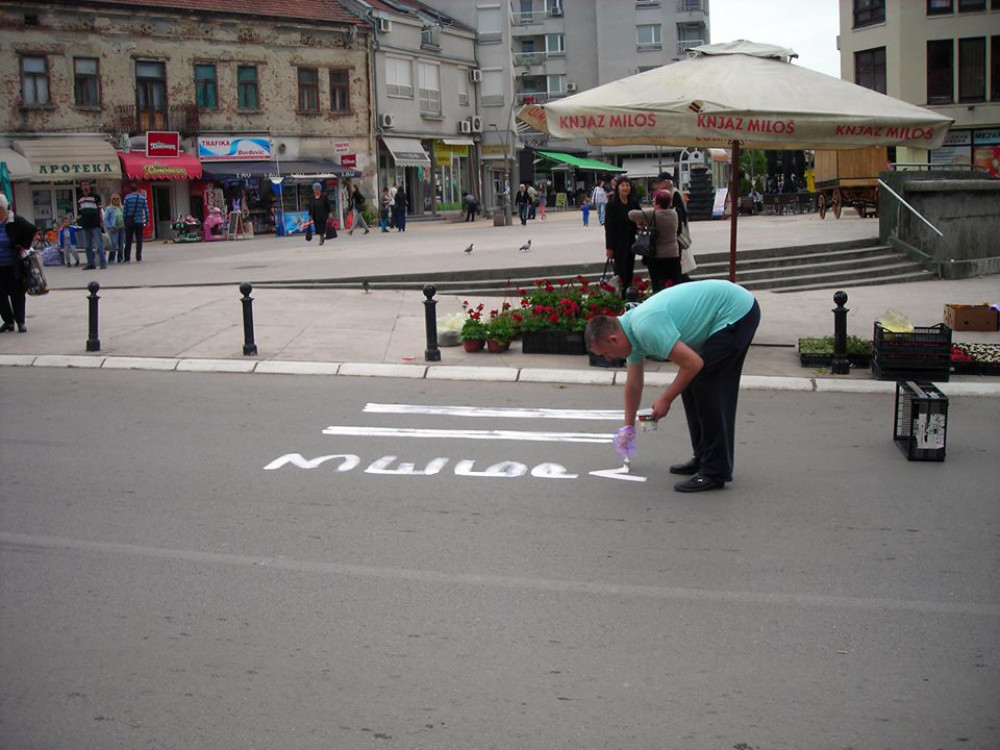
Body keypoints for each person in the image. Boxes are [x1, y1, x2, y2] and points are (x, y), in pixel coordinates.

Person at [585, 279, 761, 493]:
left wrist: (666, 399)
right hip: (725, 311)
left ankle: (715, 471)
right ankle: (703, 458)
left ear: (613, 339)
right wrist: (628, 427)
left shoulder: (644, 327)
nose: (607, 358)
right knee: (690, 381)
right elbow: (633, 385)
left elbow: (693, 363)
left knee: (706, 384)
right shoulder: (629, 332)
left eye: (604, 353)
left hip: (736, 312)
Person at [628, 190, 682, 293]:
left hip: (657, 254)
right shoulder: (674, 213)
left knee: (657, 283)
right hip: (673, 253)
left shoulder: (652, 214)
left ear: (657, 203)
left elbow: (631, 214)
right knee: (674, 282)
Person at [0, 193, 37, 333]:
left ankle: (20, 321)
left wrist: (22, 245)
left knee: (17, 293)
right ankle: (8, 322)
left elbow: (31, 229)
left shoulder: (14, 220)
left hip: (13, 264)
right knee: (0, 295)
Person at [603, 176, 640, 295]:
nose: (625, 188)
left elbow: (641, 216)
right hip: (618, 243)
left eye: (627, 185)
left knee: (629, 270)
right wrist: (609, 247)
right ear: (617, 188)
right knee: (620, 272)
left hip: (631, 241)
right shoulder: (611, 205)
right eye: (622, 185)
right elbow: (609, 227)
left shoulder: (633, 202)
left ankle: (628, 295)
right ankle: (620, 295)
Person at [76, 181, 105, 269]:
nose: (86, 187)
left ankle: (102, 263)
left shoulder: (96, 197)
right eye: (84, 185)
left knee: (99, 244)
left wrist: (101, 221)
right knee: (87, 245)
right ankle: (90, 263)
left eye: (87, 185)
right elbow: (80, 210)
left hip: (95, 223)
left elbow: (100, 210)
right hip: (85, 223)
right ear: (81, 187)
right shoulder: (79, 197)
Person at [122, 183, 149, 263]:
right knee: (139, 239)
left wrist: (124, 220)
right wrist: (147, 220)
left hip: (130, 221)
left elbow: (124, 210)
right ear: (138, 189)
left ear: (131, 189)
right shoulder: (142, 198)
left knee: (128, 240)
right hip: (139, 221)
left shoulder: (127, 198)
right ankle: (138, 257)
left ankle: (127, 258)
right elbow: (146, 210)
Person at [103, 193, 125, 264]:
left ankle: (120, 258)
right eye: (114, 199)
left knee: (121, 244)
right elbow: (105, 219)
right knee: (114, 244)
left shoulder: (122, 208)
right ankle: (111, 259)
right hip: (114, 228)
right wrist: (109, 227)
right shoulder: (109, 208)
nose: (116, 200)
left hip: (122, 227)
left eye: (117, 199)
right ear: (111, 200)